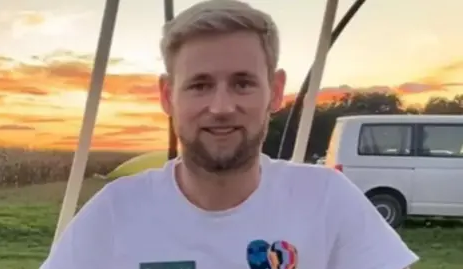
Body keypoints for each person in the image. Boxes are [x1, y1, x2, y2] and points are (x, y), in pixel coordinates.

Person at [40, 0, 419, 268]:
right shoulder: (116, 211)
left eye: (242, 83)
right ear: (167, 96)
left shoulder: (326, 201)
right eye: (200, 85)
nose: (220, 106)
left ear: (274, 91)